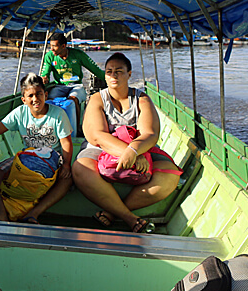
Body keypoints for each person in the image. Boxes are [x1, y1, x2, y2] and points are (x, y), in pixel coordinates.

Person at [73, 52, 182, 232]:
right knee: (80, 169)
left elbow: (150, 133)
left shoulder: (141, 99)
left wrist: (134, 151)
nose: (113, 75)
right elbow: (97, 136)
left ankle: (112, 212)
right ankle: (129, 217)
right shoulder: (97, 99)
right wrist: (130, 153)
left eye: (119, 71)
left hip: (140, 146)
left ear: (129, 74)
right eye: (109, 72)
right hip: (102, 148)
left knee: (171, 176)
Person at [0, 73, 73, 224]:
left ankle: (34, 213)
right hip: (28, 159)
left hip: (54, 160)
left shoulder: (58, 114)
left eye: (39, 94)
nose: (35, 99)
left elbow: (66, 143)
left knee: (67, 180)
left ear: (45, 95)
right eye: (31, 96)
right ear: (24, 99)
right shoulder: (20, 113)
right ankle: (1, 213)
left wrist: (66, 165)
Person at [39, 32, 106, 132]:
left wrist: (109, 79)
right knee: (50, 100)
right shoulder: (49, 56)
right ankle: (50, 129)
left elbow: (94, 69)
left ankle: (77, 128)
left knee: (73, 100)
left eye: (54, 46)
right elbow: (45, 72)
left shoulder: (78, 54)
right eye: (50, 46)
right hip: (59, 86)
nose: (51, 49)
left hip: (76, 86)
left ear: (63, 46)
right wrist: (44, 78)